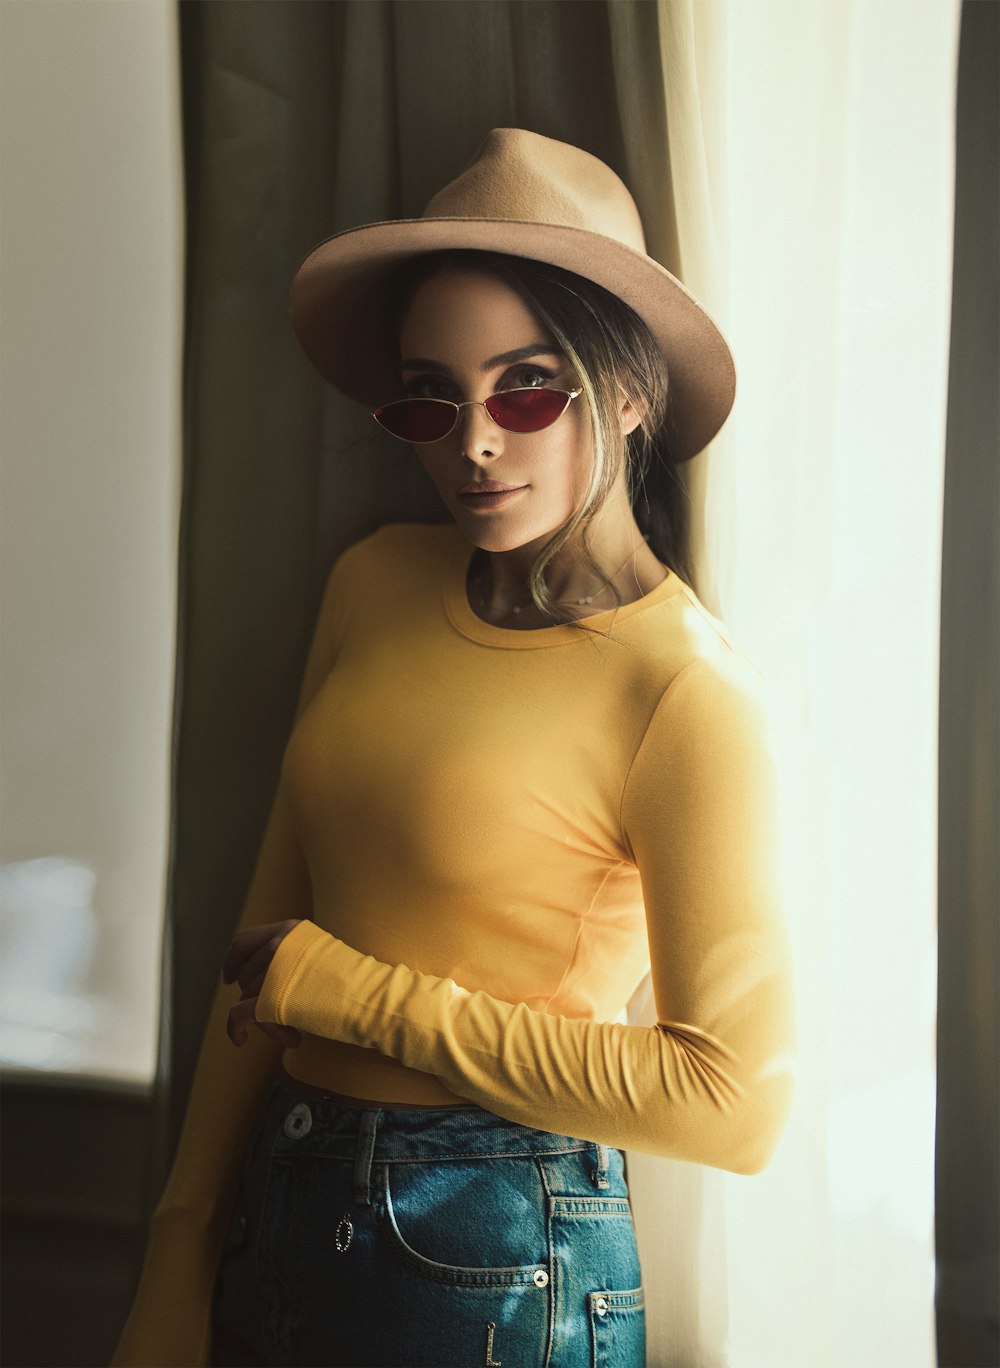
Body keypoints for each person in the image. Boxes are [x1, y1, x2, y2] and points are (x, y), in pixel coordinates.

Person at [113, 128, 795, 1368]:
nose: (474, 441)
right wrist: (177, 1249)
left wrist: (360, 998)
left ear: (630, 392)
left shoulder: (685, 691)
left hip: (498, 1241)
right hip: (282, 1191)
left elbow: (733, 1104)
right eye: (432, 395)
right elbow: (266, 943)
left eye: (528, 389)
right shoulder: (374, 581)